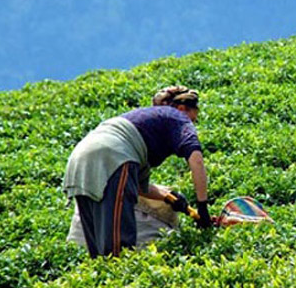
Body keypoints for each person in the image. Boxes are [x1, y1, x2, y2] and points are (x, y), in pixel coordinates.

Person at [63, 86, 213, 258]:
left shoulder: (142, 126)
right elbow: (197, 160)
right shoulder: (177, 117)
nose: (192, 125)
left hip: (79, 160)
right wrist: (203, 207)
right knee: (119, 249)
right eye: (193, 119)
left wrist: (169, 196)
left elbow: (140, 188)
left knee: (98, 249)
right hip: (112, 157)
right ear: (181, 109)